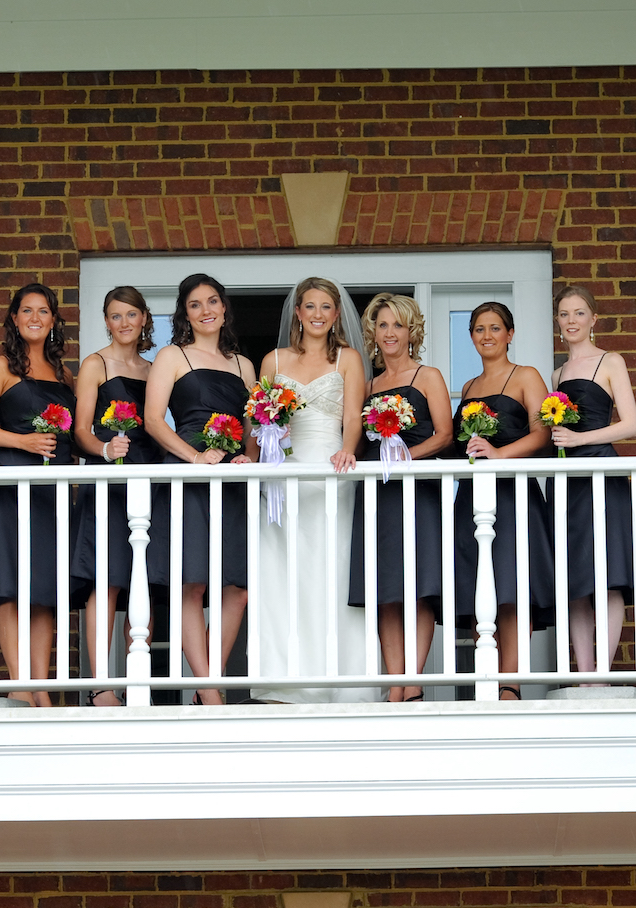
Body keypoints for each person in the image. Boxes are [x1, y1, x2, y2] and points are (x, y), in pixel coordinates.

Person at [0, 283, 83, 707]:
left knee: (44, 588)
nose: (34, 317)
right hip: (12, 484)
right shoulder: (2, 367)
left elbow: (79, 434)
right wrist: (22, 442)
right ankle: (19, 685)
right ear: (14, 318)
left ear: (52, 320)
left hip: (53, 491)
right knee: (11, 585)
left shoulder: (66, 376)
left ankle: (39, 687)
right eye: (26, 310)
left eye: (42, 311)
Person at [250, 277, 377, 704]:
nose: (318, 314)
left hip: (331, 474)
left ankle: (343, 681)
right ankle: (287, 678)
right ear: (298, 313)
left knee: (333, 572)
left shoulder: (349, 359)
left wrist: (346, 450)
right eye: (310, 306)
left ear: (336, 314)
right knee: (283, 573)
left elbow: (354, 417)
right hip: (284, 475)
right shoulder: (274, 360)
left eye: (327, 307)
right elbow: (260, 419)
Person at [143, 274, 257, 705]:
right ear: (184, 313)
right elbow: (154, 421)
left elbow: (250, 428)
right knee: (191, 583)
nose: (206, 310)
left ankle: (206, 685)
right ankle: (211, 691)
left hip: (231, 478)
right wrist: (193, 458)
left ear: (224, 308)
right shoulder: (173, 356)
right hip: (188, 472)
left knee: (237, 588)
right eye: (195, 304)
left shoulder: (244, 365)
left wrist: (248, 457)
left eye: (213, 301)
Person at [548, 284, 636, 678]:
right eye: (564, 314)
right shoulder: (557, 373)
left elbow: (630, 425)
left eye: (579, 313)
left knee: (609, 573)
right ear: (557, 322)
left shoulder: (611, 361)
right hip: (568, 483)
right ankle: (584, 673)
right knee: (578, 578)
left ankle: (604, 672)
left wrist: (580, 438)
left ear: (593, 319)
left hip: (601, 474)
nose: (571, 321)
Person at [446, 302, 556, 700]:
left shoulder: (525, 375)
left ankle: (510, 684)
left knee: (513, 585)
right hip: (473, 499)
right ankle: (485, 678)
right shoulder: (470, 387)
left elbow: (543, 434)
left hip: (513, 495)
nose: (487, 335)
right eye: (478, 329)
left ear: (510, 334)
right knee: (480, 588)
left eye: (495, 328)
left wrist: (498, 454)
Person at [346, 293, 452, 702]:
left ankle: (414, 681)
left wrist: (406, 456)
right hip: (377, 494)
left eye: (398, 325)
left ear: (412, 332)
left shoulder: (428, 376)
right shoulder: (369, 385)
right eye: (383, 325)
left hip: (418, 493)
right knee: (385, 589)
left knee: (420, 585)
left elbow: (443, 434)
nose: (390, 333)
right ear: (373, 331)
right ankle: (395, 686)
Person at [70, 286, 161, 707]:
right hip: (112, 476)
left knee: (145, 579)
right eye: (115, 316)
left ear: (144, 319)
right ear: (106, 321)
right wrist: (105, 450)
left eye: (131, 315)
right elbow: (80, 430)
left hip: (151, 477)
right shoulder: (96, 364)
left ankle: (136, 679)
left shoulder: (155, 366)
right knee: (106, 580)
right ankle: (102, 685)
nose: (123, 323)